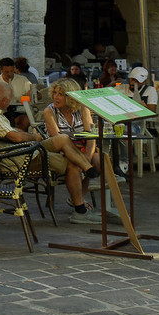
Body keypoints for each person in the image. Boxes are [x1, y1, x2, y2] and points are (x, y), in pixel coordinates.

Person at [41, 79, 103, 224]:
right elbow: (57, 139)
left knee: (98, 160)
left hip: (82, 147)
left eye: (61, 94)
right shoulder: (49, 111)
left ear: (70, 97)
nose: (56, 97)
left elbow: (91, 134)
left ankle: (78, 196)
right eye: (55, 93)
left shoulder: (82, 108)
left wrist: (87, 155)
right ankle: (80, 209)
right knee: (74, 166)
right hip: (62, 150)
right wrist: (81, 159)